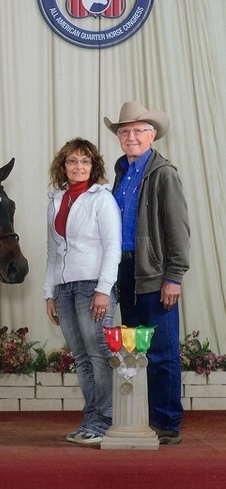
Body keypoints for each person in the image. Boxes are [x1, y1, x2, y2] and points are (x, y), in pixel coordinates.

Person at [104, 101, 190, 445]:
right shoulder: (121, 172)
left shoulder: (164, 173)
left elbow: (178, 229)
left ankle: (166, 422)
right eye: (125, 131)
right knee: (136, 349)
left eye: (139, 130)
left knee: (162, 351)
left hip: (154, 273)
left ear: (152, 135)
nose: (131, 136)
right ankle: (141, 418)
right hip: (127, 272)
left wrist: (174, 276)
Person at [44, 138, 121, 445]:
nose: (79, 167)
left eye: (85, 161)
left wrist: (104, 290)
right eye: (72, 161)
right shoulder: (56, 200)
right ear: (63, 166)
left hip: (92, 285)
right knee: (81, 356)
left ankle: (104, 421)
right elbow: (52, 251)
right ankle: (90, 418)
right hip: (64, 288)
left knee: (98, 355)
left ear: (94, 166)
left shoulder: (101, 198)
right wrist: (48, 293)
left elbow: (112, 247)